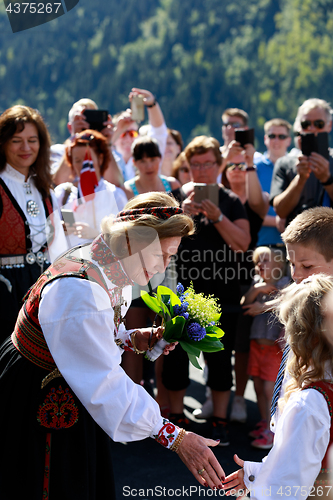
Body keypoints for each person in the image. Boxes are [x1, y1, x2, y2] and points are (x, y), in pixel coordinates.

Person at [0, 191, 226, 499]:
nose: (161, 268)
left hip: (68, 387)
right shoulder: (79, 289)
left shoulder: (104, 261)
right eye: (162, 255)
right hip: (39, 397)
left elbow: (90, 337)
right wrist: (174, 436)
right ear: (134, 241)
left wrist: (132, 338)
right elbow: (104, 384)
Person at [162, 135, 251, 443]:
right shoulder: (175, 197)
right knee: (174, 356)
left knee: (219, 358)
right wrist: (180, 215)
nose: (201, 171)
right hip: (181, 290)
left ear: (219, 164)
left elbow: (242, 243)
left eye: (208, 164)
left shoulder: (230, 199)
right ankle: (175, 418)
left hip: (222, 290)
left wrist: (218, 217)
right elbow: (158, 245)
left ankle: (220, 421)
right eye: (195, 165)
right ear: (187, 166)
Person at [223, 274, 333, 499]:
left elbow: (284, 489)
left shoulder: (307, 403)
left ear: (301, 337)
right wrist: (256, 473)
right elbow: (303, 460)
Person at [0, 105, 65, 346]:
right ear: (3, 143)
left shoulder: (46, 189)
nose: (26, 148)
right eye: (16, 140)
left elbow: (57, 249)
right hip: (4, 288)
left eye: (32, 140)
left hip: (40, 286)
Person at [220, 143, 269, 424]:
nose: (236, 170)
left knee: (242, 346)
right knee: (218, 342)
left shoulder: (255, 199)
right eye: (232, 165)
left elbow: (261, 205)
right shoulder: (219, 197)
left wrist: (248, 161)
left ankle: (239, 397)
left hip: (246, 278)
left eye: (243, 165)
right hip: (216, 273)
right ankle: (217, 394)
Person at [242, 246, 289, 449]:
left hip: (273, 348)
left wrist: (263, 305)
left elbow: (288, 302)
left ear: (279, 265)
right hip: (256, 345)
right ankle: (264, 421)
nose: (260, 265)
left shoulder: (285, 284)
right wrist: (257, 289)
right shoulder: (258, 283)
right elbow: (245, 303)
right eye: (257, 262)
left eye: (265, 261)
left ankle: (274, 430)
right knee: (258, 386)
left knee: (271, 388)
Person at [54, 129, 127, 247]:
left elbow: (125, 237)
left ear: (100, 159)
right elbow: (44, 233)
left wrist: (96, 234)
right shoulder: (62, 193)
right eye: (77, 160)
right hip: (69, 262)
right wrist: (58, 228)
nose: (83, 166)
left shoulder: (114, 194)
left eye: (87, 159)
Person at [270, 98, 333, 226]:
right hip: (298, 241)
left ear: (329, 125)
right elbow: (280, 211)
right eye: (306, 124)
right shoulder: (285, 163)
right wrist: (300, 179)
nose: (312, 128)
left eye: (319, 124)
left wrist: (327, 179)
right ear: (299, 126)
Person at [51, 98, 123, 188]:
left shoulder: (107, 153)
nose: (87, 126)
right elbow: (59, 182)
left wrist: (106, 144)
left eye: (91, 121)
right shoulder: (57, 151)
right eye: (80, 120)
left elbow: (116, 184)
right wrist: (75, 139)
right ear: (70, 127)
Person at [113, 88, 168, 182]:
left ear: (138, 135)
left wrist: (152, 105)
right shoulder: (107, 157)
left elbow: (159, 132)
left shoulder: (149, 154)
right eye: (122, 134)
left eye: (132, 133)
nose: (127, 139)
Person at [254, 118, 292, 246]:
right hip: (262, 243)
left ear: (288, 140)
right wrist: (277, 221)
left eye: (281, 136)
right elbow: (248, 207)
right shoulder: (254, 168)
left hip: (294, 243)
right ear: (265, 139)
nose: (276, 140)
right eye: (272, 136)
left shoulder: (297, 167)